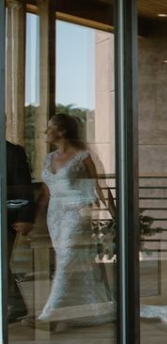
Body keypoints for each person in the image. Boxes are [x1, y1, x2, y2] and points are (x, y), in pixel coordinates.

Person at [30, 113, 113, 327]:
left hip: (77, 213)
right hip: (55, 216)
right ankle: (90, 309)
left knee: (66, 261)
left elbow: (99, 187)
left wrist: (117, 216)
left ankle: (50, 316)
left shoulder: (83, 156)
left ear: (62, 131)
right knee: (68, 260)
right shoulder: (49, 158)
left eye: (50, 127)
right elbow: (45, 194)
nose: (45, 131)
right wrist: (33, 219)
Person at [5, 139, 35, 322]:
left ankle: (16, 304)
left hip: (6, 217)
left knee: (1, 262)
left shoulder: (12, 152)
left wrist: (26, 217)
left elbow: (23, 186)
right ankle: (16, 304)